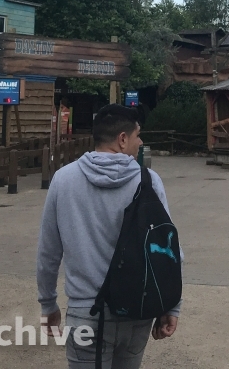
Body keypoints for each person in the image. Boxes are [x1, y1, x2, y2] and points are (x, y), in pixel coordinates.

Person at [37, 103, 181, 369]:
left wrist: (48, 304)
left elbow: (49, 252)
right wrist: (170, 306)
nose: (140, 142)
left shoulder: (63, 180)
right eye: (137, 135)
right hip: (137, 310)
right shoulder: (149, 181)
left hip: (85, 312)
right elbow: (168, 250)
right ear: (122, 139)